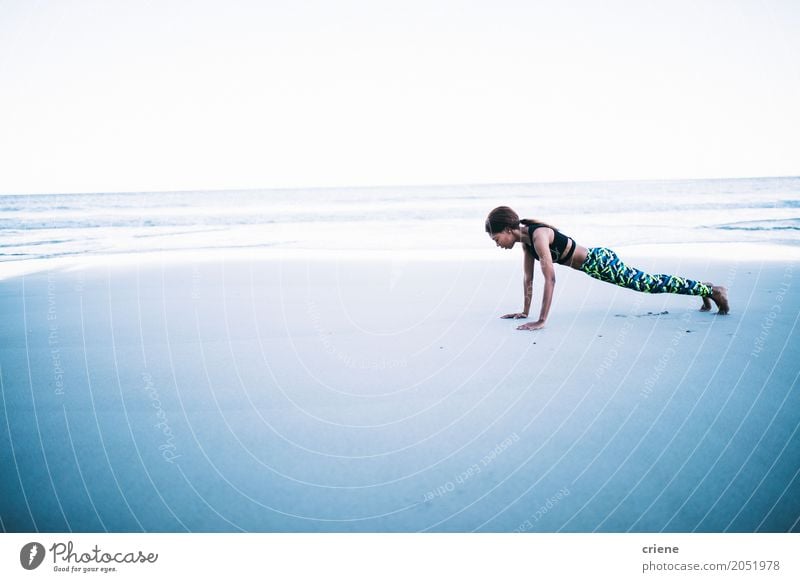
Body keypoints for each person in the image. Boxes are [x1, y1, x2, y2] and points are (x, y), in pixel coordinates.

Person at [485, 206, 729, 331]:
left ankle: (713, 290)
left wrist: (541, 320)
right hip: (595, 265)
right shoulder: (527, 245)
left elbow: (550, 279)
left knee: (648, 284)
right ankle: (703, 288)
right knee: (649, 283)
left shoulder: (538, 236)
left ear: (508, 230)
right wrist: (525, 312)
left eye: (496, 239)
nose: (498, 244)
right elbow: (528, 280)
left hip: (600, 263)